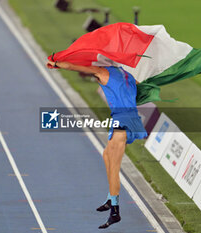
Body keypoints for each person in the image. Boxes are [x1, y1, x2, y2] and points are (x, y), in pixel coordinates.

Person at [46, 60, 147, 229]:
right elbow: (137, 88)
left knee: (114, 166)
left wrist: (57, 63)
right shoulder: (127, 74)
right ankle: (110, 198)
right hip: (126, 119)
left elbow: (74, 66)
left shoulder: (102, 72)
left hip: (122, 121)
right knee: (107, 155)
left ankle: (115, 211)